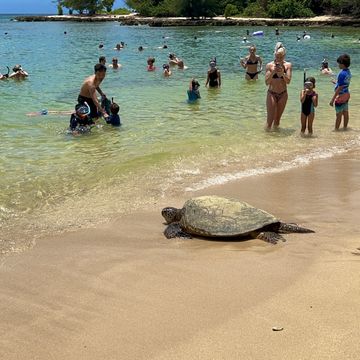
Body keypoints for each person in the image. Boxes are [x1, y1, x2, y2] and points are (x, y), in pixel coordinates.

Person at [265, 42, 292, 130]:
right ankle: (266, 138)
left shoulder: (288, 65)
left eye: (281, 57)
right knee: (270, 121)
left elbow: (288, 81)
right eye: (277, 57)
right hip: (272, 93)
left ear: (284, 56)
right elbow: (266, 82)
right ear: (275, 55)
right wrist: (273, 72)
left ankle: (276, 140)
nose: (279, 59)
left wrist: (282, 74)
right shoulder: (269, 65)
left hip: (283, 94)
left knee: (277, 120)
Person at [330, 54, 351, 130]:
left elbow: (340, 87)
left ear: (342, 64)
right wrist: (336, 82)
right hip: (346, 94)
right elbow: (344, 84)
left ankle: (336, 130)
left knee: (338, 114)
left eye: (339, 63)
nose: (338, 65)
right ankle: (345, 127)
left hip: (341, 96)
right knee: (345, 112)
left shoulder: (342, 73)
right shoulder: (348, 72)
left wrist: (332, 99)